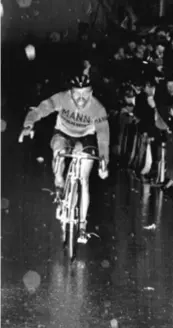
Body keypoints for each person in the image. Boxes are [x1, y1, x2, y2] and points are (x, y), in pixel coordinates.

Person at [19, 63, 110, 244]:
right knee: (59, 150)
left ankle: (82, 226)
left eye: (86, 94)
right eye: (77, 94)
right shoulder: (61, 98)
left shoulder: (98, 108)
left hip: (86, 138)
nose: (82, 99)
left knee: (84, 179)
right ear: (70, 92)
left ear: (91, 93)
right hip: (63, 134)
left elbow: (103, 136)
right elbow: (40, 109)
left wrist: (104, 161)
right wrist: (28, 125)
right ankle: (59, 182)